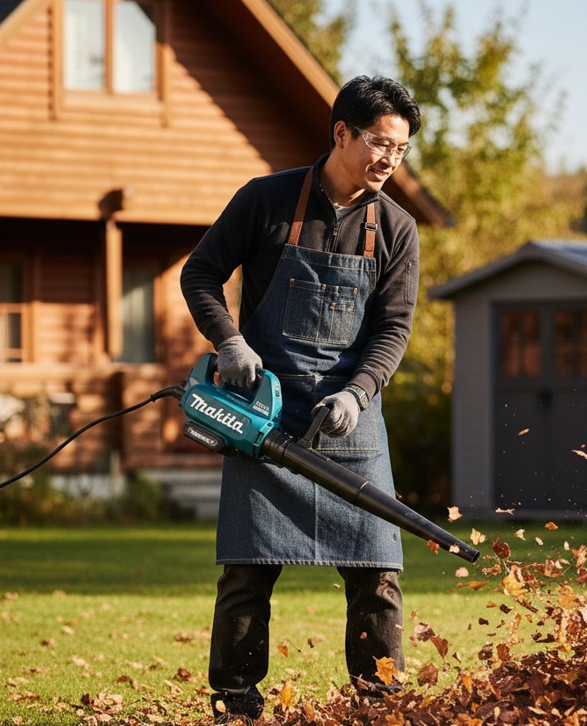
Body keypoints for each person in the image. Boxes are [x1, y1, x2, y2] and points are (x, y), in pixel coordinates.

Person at [181, 75, 421, 724]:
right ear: (340, 132)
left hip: (351, 424)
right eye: (378, 144)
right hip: (263, 417)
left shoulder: (396, 230)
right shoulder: (264, 201)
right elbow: (199, 273)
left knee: (376, 573)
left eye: (399, 152)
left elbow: (393, 329)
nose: (388, 161)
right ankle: (236, 703)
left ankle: (379, 705)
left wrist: (358, 390)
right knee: (246, 571)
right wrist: (227, 341)